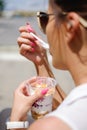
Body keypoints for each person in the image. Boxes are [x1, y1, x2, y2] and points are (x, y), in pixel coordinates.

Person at [6, 0, 87, 129]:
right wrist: (41, 62)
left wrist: (16, 122)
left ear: (70, 26)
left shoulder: (50, 126)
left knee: (5, 114)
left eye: (45, 19)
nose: (44, 30)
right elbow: (71, 108)